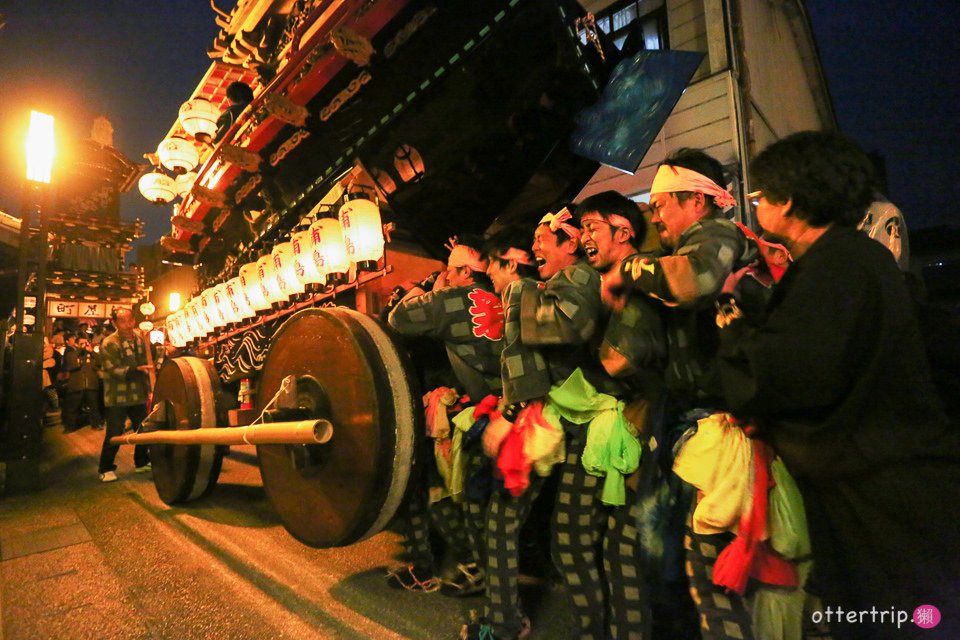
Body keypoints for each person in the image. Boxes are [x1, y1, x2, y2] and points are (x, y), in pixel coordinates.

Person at [712, 131, 960, 640]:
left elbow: (784, 373)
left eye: (759, 197)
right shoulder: (856, 260)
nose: (755, 207)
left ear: (790, 202)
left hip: (878, 491)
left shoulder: (835, 267)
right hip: (895, 474)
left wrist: (731, 321)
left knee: (898, 618)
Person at [601, 149, 761, 639]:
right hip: (693, 424)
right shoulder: (679, 252)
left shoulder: (717, 236)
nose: (654, 215)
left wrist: (627, 270)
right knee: (687, 567)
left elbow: (694, 282)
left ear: (697, 200)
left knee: (714, 577)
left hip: (721, 426)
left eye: (662, 204)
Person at [386, 235, 504, 596]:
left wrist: (427, 286)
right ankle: (470, 568)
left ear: (465, 272)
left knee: (448, 492)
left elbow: (399, 318)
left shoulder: (455, 298)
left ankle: (473, 572)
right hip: (508, 408)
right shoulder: (502, 295)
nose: (446, 276)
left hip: (475, 413)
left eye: (449, 270)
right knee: (475, 498)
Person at [97, 308, 152, 482]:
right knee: (114, 432)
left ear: (134, 320)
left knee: (143, 429)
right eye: (122, 321)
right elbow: (112, 369)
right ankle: (105, 468)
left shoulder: (140, 338)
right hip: (117, 395)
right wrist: (137, 370)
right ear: (114, 323)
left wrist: (164, 350)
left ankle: (141, 462)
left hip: (138, 394)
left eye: (130, 320)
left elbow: (149, 357)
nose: (127, 325)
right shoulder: (109, 342)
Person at [61, 336, 104, 432]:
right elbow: (71, 365)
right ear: (76, 344)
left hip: (91, 384)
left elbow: (100, 362)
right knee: (73, 407)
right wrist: (80, 349)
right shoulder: (71, 354)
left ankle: (96, 424)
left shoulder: (92, 354)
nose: (84, 345)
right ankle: (69, 427)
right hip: (77, 384)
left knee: (94, 406)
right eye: (81, 343)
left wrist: (91, 351)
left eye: (86, 343)